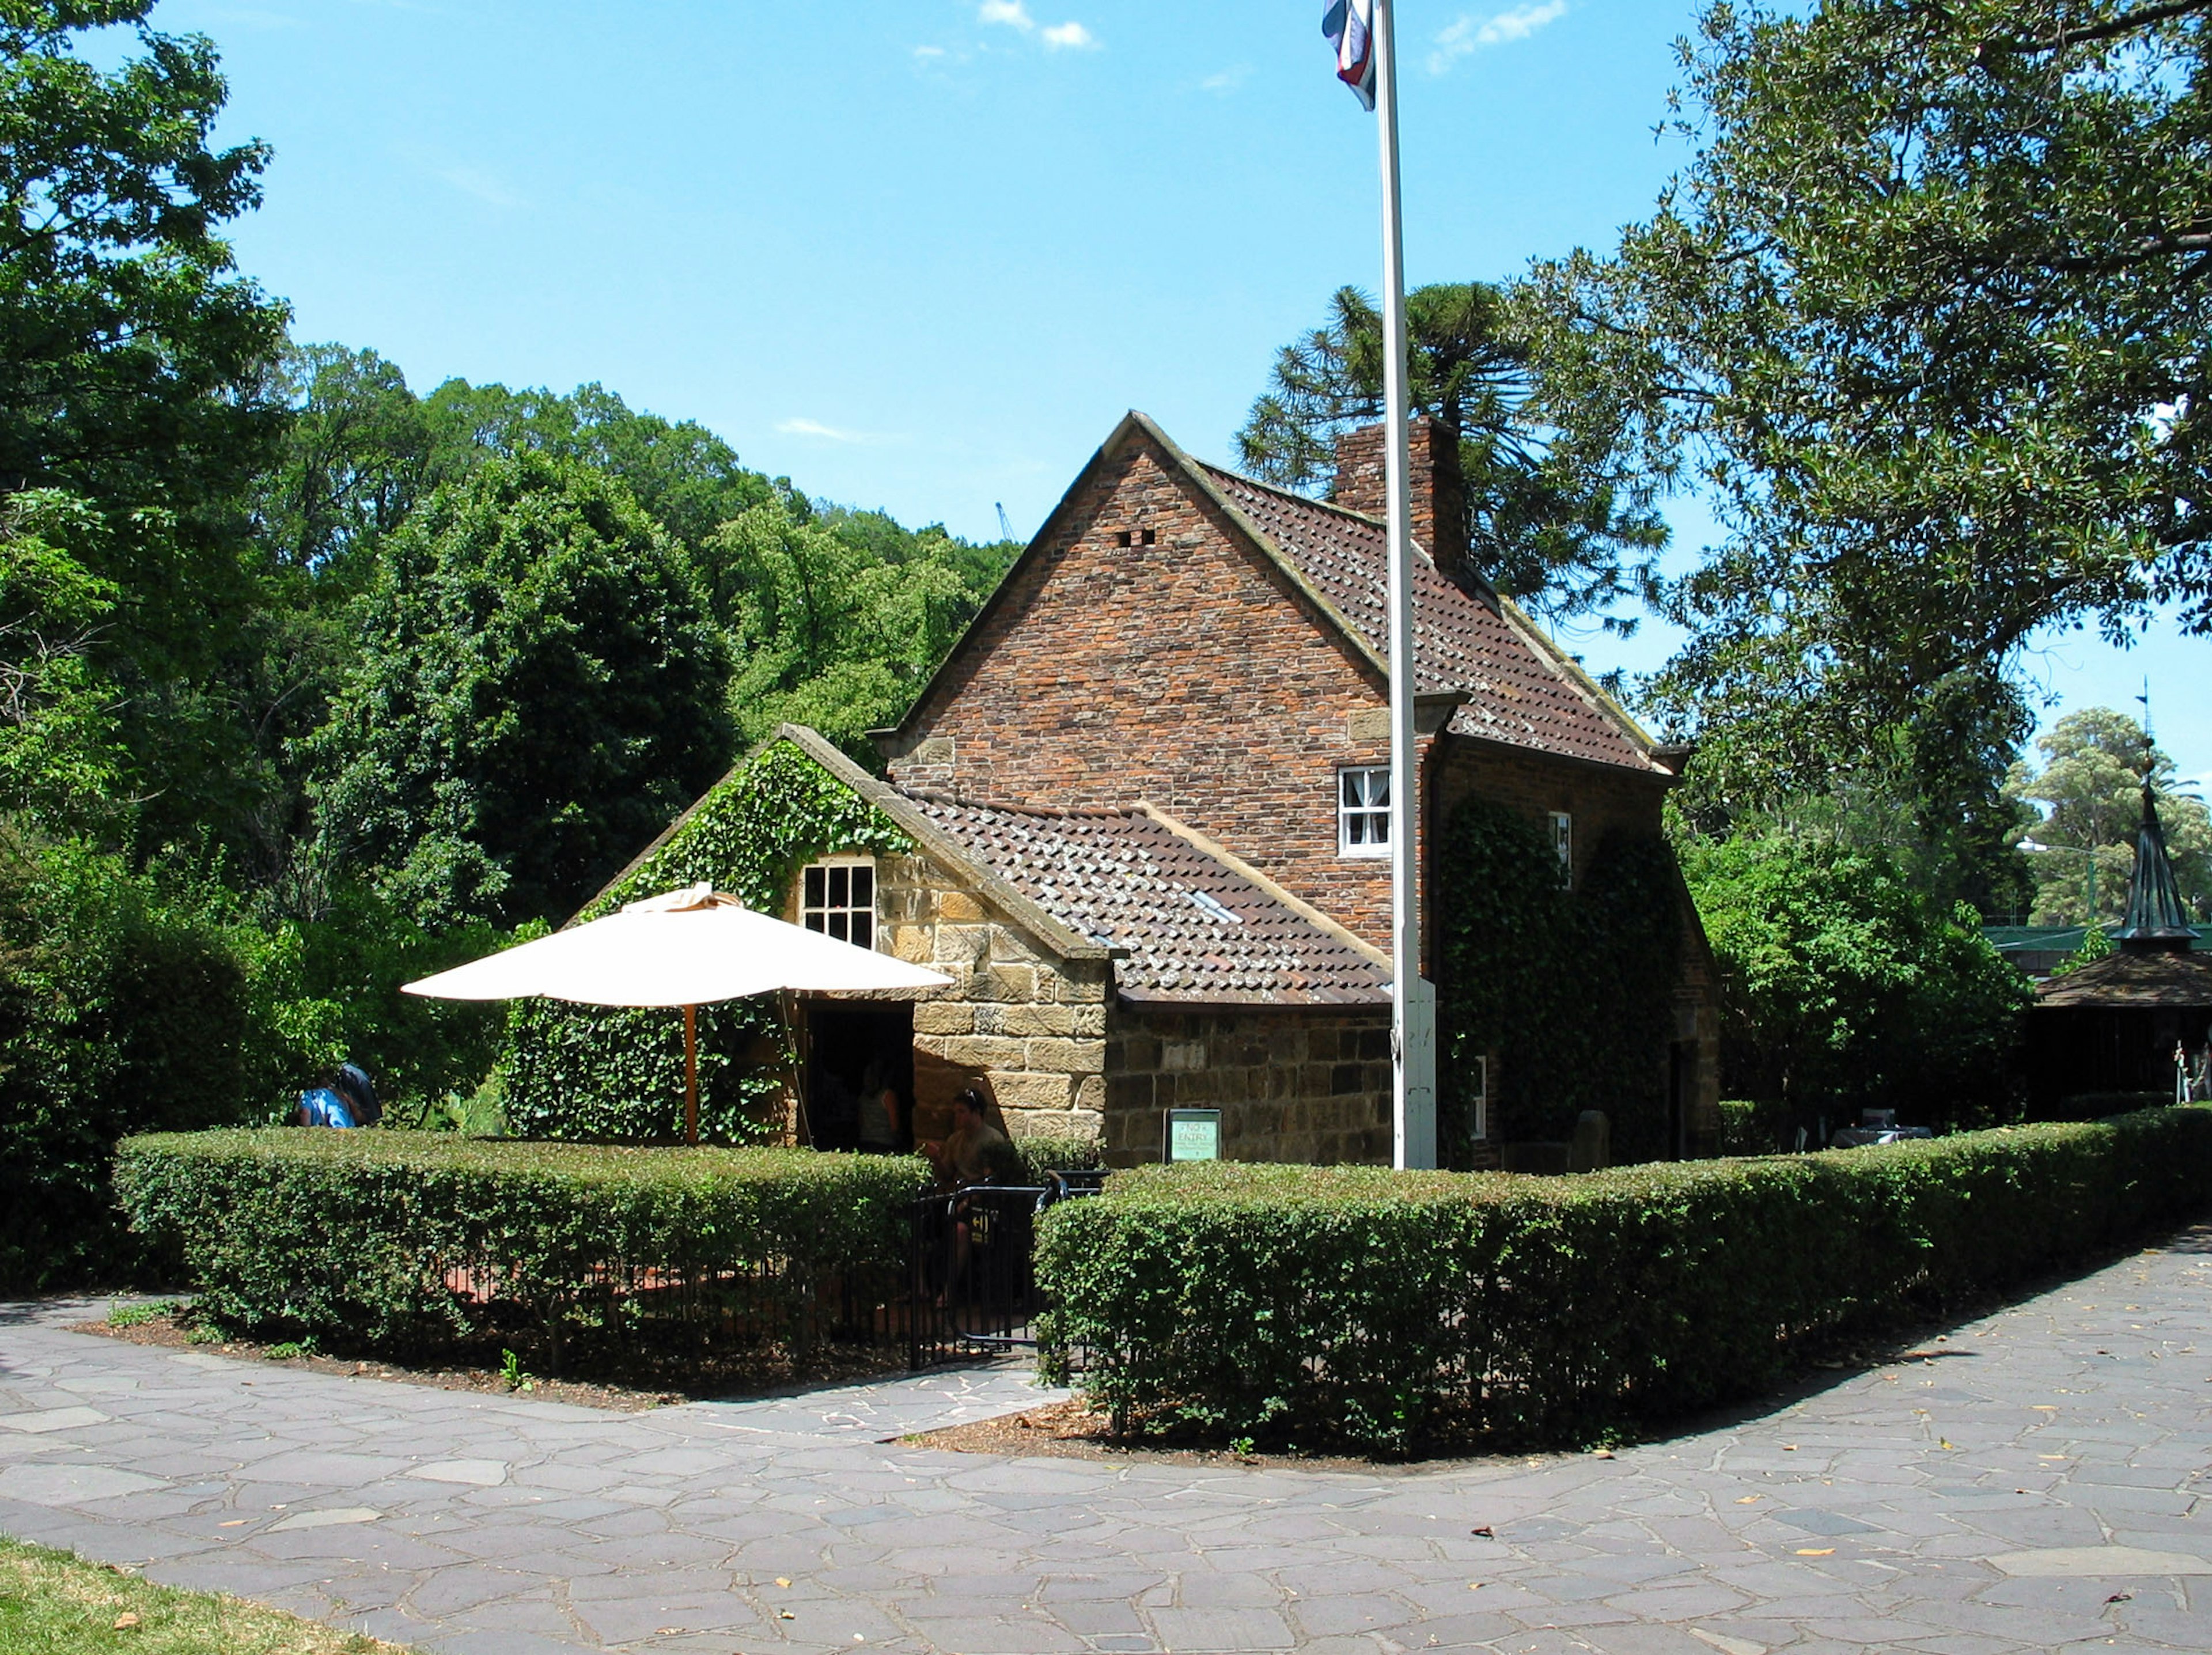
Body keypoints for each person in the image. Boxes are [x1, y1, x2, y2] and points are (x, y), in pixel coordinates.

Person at [921, 1087, 1008, 1187]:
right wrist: (936, 1158)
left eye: (962, 1112)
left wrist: (969, 1200)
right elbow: (946, 1175)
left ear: (976, 1112)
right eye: (956, 1112)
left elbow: (991, 1181)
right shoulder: (955, 1139)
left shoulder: (993, 1139)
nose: (957, 1116)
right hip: (957, 1191)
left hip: (978, 1195)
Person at [855, 1059, 905, 1154]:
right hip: (885, 1144)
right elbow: (894, 1125)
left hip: (865, 1142)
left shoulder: (862, 1097)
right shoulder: (888, 1095)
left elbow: (861, 1122)